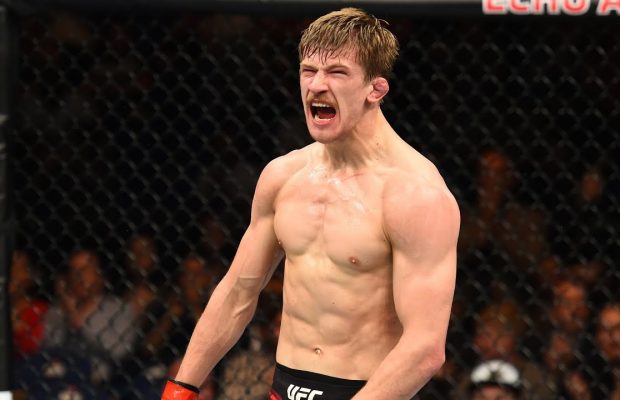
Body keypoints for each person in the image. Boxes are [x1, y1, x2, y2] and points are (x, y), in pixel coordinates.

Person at [162, 8, 460, 400]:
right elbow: (237, 294)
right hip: (282, 388)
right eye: (308, 71)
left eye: (337, 72)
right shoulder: (284, 177)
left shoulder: (414, 195)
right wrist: (180, 388)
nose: (317, 85)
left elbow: (424, 348)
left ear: (376, 89)